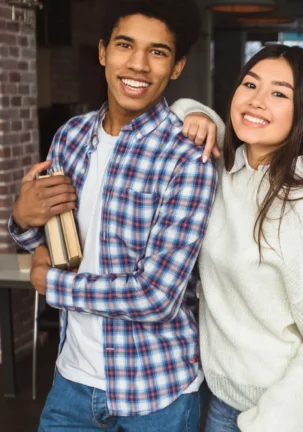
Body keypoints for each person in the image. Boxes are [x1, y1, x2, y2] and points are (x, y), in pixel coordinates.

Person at [8, 1, 220, 430]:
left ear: (177, 67)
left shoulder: (188, 157)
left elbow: (157, 297)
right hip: (71, 381)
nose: (138, 65)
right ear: (103, 52)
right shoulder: (72, 135)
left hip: (156, 390)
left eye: (158, 52)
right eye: (125, 45)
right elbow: (59, 242)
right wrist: (21, 221)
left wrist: (53, 284)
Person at [195, 44, 303, 432]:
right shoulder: (226, 172)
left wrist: (270, 423)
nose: (257, 101)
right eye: (250, 84)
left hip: (282, 415)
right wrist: (197, 114)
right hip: (220, 402)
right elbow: (182, 108)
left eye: (279, 93)